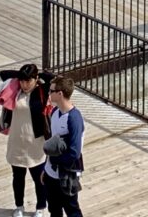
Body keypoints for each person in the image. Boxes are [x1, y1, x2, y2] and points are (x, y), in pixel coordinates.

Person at [0, 63, 54, 217]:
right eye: (22, 80)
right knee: (18, 178)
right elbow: (3, 73)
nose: (24, 84)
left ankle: (40, 208)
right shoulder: (15, 90)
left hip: (36, 144)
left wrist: (38, 76)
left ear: (36, 79)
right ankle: (19, 206)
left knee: (39, 179)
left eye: (28, 81)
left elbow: (54, 79)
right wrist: (22, 74)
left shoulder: (42, 91)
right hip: (17, 142)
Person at [43, 76, 85, 217]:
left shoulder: (74, 118)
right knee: (54, 210)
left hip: (67, 174)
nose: (49, 93)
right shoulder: (55, 112)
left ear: (60, 93)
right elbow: (53, 144)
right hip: (51, 174)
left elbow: (74, 152)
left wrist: (55, 161)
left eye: (51, 90)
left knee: (72, 211)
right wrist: (46, 168)